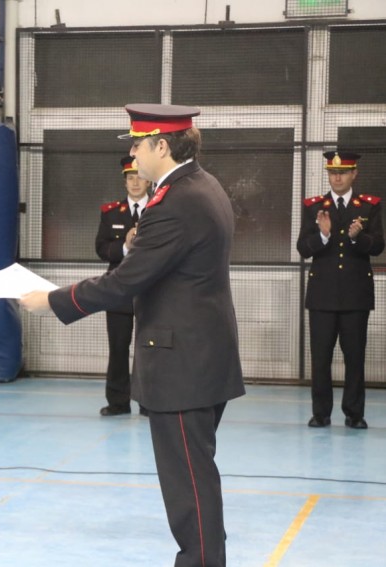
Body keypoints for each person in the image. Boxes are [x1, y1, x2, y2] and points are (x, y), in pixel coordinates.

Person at [20, 104, 245, 567]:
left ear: (162, 146)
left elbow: (124, 281)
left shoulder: (175, 204)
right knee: (196, 478)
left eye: (138, 144)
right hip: (204, 357)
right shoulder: (203, 185)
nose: (133, 154)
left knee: (189, 486)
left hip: (182, 365)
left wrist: (52, 300)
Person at [296, 151, 383, 430]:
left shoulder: (368, 206)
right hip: (322, 296)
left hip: (356, 296)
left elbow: (378, 246)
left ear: (354, 174)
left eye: (343, 172)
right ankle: (321, 413)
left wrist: (358, 238)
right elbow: (303, 248)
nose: (337, 177)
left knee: (355, 358)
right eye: (333, 173)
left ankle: (354, 413)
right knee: (320, 358)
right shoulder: (314, 207)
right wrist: (323, 235)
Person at [95, 156, 151, 417]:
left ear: (148, 181)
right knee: (118, 348)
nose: (135, 183)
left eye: (139, 178)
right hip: (118, 293)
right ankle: (118, 402)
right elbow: (101, 249)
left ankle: (149, 402)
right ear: (124, 182)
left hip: (151, 291)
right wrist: (125, 246)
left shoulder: (160, 210)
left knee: (148, 349)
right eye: (130, 178)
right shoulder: (111, 213)